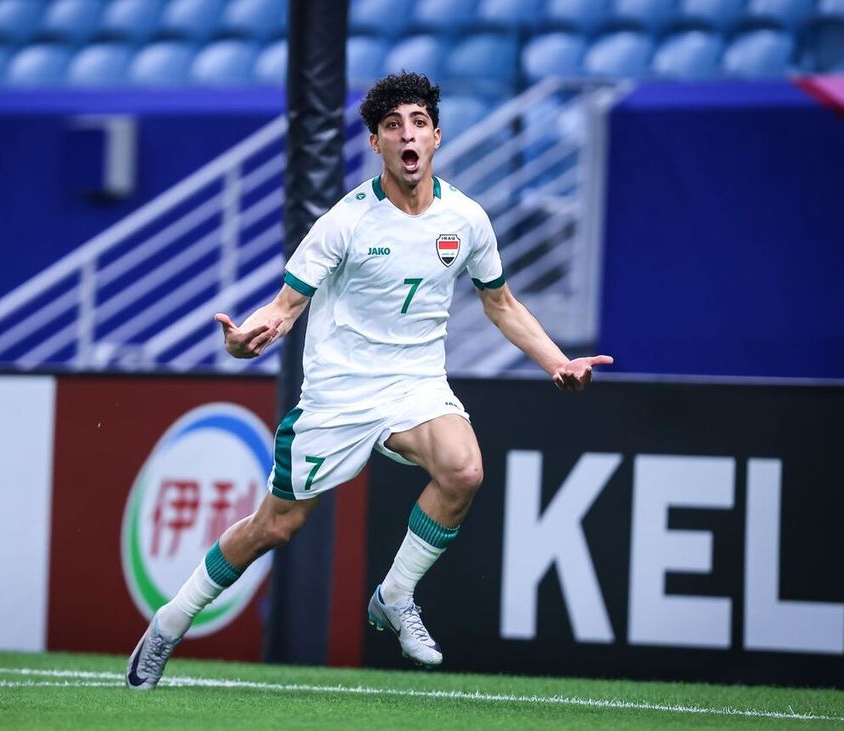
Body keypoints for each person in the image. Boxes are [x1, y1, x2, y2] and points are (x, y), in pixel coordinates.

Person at [126, 71, 612, 690]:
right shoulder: (345, 222)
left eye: (417, 123)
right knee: (275, 526)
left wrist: (557, 362)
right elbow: (283, 309)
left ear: (435, 136)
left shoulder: (466, 218)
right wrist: (244, 340)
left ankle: (395, 594)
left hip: (415, 385)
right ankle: (170, 622)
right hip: (340, 392)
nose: (407, 135)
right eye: (392, 126)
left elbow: (503, 304)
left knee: (464, 469)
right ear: (377, 143)